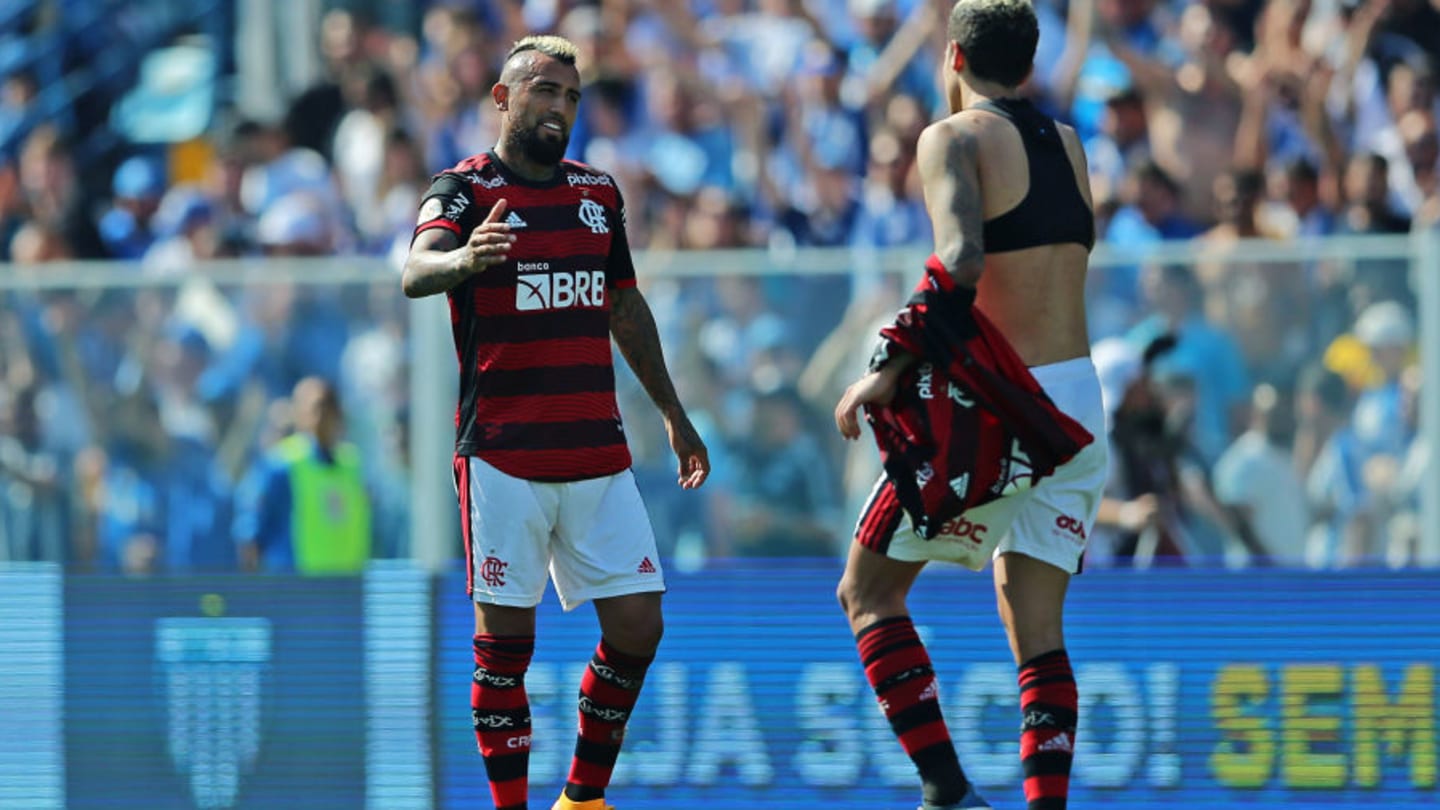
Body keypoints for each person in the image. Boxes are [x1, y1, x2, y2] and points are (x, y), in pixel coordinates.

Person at [399, 35, 710, 810]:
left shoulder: (597, 194)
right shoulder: (463, 191)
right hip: (504, 455)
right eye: (543, 90)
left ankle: (581, 799)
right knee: (506, 650)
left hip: (597, 454)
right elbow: (414, 271)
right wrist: (465, 261)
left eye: (570, 96)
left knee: (639, 626)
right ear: (503, 98)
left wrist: (673, 412)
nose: (559, 107)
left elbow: (625, 305)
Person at [833, 2, 1107, 808]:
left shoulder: (949, 138)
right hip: (1080, 404)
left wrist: (887, 367)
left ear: (950, 54)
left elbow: (960, 259)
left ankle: (947, 790)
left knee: (868, 592)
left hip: (1006, 407)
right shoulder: (1069, 141)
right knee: (1037, 633)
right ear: (1028, 61)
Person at [232, 376, 371, 574]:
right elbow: (250, 529)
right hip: (296, 593)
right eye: (316, 408)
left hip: (345, 591)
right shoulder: (281, 465)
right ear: (298, 413)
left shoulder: (352, 465)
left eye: (329, 406)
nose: (323, 416)